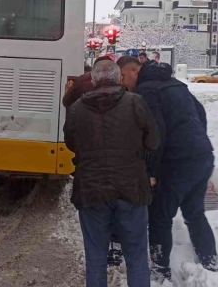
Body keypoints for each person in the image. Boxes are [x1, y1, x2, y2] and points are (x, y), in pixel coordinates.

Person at [117, 57, 218, 282]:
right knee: (195, 213)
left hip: (176, 162)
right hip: (202, 155)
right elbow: (200, 114)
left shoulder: (147, 91)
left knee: (160, 216)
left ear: (135, 70)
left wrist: (152, 172)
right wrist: (195, 141)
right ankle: (211, 261)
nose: (122, 83)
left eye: (123, 76)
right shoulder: (175, 84)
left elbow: (156, 134)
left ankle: (160, 271)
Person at [64, 60, 159, 287]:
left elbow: (70, 143)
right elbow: (153, 141)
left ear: (94, 80)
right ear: (118, 79)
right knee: (136, 257)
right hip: (131, 189)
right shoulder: (135, 102)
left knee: (95, 259)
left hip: (91, 191)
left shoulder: (76, 108)